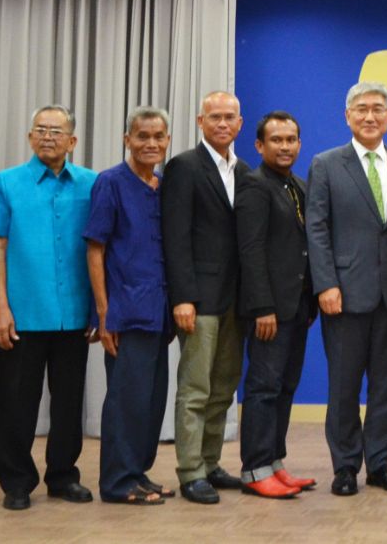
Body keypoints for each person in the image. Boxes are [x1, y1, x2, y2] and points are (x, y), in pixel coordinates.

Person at [306, 81, 387, 496]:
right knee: (343, 386)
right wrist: (326, 284)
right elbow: (316, 228)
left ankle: (382, 464)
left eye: (378, 109)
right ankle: (345, 467)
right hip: (344, 294)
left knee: (386, 387)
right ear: (347, 116)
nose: (370, 116)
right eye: (361, 109)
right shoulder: (326, 164)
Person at [0, 104, 98, 511]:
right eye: (40, 129)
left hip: (74, 313)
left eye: (57, 130)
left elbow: (99, 249)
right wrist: (0, 307)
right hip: (23, 312)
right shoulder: (8, 182)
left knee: (69, 402)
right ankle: (16, 481)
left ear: (73, 140)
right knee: (16, 402)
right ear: (30, 136)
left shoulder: (91, 183)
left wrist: (98, 309)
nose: (48, 136)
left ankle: (63, 476)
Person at [161, 91, 251, 504]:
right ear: (200, 122)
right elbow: (175, 237)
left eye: (228, 117)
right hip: (199, 299)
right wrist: (183, 297)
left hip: (237, 299)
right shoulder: (183, 167)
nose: (221, 123)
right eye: (213, 117)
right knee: (195, 387)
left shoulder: (243, 170)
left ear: (239, 123)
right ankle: (190, 471)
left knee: (224, 386)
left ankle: (211, 463)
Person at [86, 107, 174, 506]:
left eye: (158, 136)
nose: (151, 143)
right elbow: (95, 249)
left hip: (159, 311)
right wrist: (103, 313)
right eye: (142, 136)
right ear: (127, 140)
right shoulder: (110, 183)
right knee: (125, 401)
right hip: (125, 310)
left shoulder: (162, 185)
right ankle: (117, 482)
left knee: (151, 401)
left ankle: (137, 472)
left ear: (168, 140)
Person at [236, 111, 321, 498]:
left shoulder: (297, 186)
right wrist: (262, 307)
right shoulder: (254, 186)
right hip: (270, 310)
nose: (285, 147)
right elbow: (250, 251)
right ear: (259, 146)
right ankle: (255, 469)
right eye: (276, 140)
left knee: (285, 386)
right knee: (263, 387)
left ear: (299, 144)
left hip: (297, 308)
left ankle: (275, 462)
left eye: (291, 140)